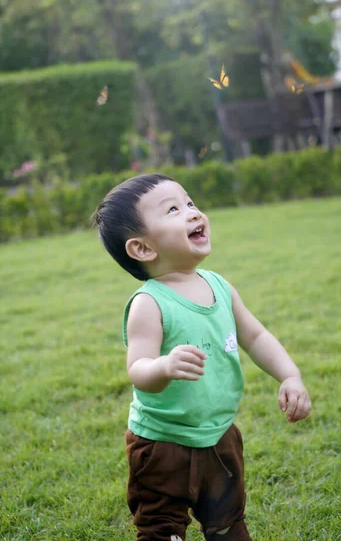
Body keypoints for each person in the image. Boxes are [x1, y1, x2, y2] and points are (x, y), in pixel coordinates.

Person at [93, 173, 312, 541]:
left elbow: (255, 336)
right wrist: (164, 366)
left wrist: (290, 375)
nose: (193, 213)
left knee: (227, 521)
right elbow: (137, 369)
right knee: (162, 527)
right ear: (143, 248)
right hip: (163, 444)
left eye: (190, 203)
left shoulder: (218, 285)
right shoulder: (150, 303)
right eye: (174, 209)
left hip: (220, 434)